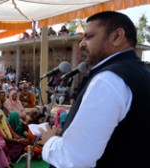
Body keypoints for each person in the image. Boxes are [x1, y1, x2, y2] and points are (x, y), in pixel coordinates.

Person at [39, 11, 150, 167]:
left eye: (89, 36)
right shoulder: (141, 73)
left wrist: (50, 141)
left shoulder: (108, 80)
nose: (82, 44)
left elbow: (75, 159)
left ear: (117, 36)